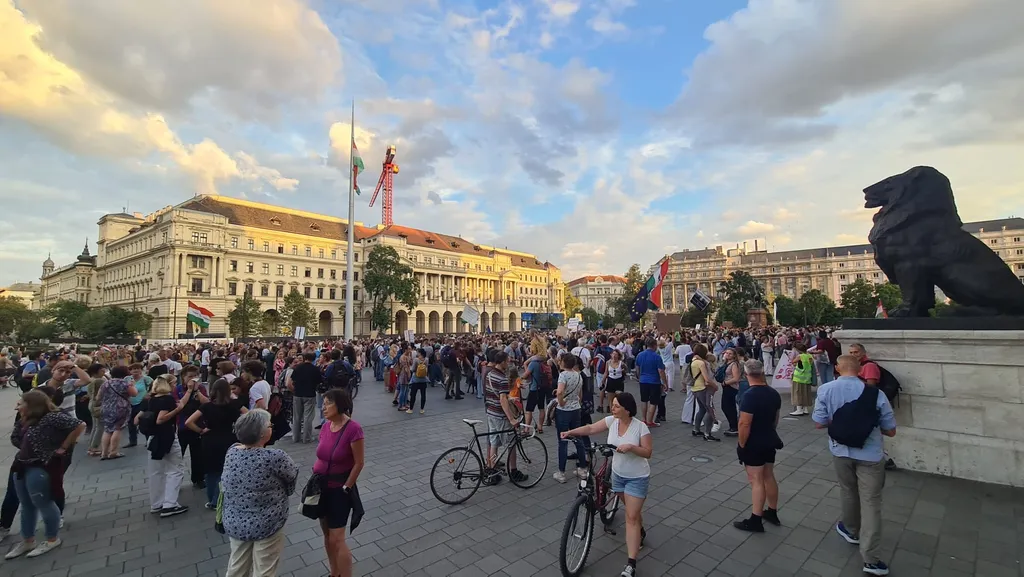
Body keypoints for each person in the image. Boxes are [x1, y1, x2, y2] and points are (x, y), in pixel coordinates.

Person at [812, 355, 896, 576]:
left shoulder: (826, 390)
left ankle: (850, 529)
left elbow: (819, 422)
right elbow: (891, 429)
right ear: (860, 370)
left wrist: (839, 422)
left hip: (839, 450)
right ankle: (871, 558)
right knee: (871, 502)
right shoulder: (875, 394)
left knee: (848, 490)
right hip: (869, 453)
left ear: (838, 369)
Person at [562, 392, 651, 577]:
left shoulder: (640, 428)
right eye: (613, 405)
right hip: (618, 475)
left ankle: (631, 564)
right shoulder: (612, 421)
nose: (613, 408)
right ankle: (639, 529)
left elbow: (648, 452)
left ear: (627, 409)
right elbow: (591, 428)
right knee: (630, 511)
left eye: (617, 406)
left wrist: (632, 447)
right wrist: (571, 432)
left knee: (631, 517)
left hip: (637, 477)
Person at [4, 390, 85, 559]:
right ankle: (28, 540)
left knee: (43, 502)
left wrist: (63, 446)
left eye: (21, 403)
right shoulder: (24, 420)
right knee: (26, 504)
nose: (17, 407)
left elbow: (79, 425)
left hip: (40, 466)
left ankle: (51, 538)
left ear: (32, 404)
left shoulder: (51, 417)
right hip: (22, 465)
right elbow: (16, 438)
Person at [221, 409, 299, 577]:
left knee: (236, 566)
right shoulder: (275, 457)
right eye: (270, 425)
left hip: (236, 521)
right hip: (267, 522)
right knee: (264, 569)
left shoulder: (232, 451)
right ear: (263, 434)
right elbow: (291, 476)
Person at [313, 389, 365, 577]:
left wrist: (347, 486)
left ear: (340, 405)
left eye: (328, 403)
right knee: (327, 535)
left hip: (339, 490)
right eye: (323, 402)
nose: (323, 407)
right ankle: (334, 573)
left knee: (337, 538)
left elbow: (359, 462)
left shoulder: (353, 429)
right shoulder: (326, 426)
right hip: (321, 488)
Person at [733, 360, 783, 533]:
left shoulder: (749, 395)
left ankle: (756, 519)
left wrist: (741, 444)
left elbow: (744, 423)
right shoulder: (773, 393)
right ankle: (772, 511)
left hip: (753, 442)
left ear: (746, 374)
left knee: (756, 480)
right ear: (762, 372)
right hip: (769, 438)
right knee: (769, 475)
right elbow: (775, 419)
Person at [186, 378, 248, 509]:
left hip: (209, 440)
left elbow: (188, 422)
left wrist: (201, 430)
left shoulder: (207, 406)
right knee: (225, 470)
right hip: (228, 439)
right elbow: (248, 414)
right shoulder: (234, 404)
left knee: (210, 471)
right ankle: (221, 497)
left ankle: (212, 500)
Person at [138, 374, 189, 518]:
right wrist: (177, 410)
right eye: (173, 383)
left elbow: (139, 419)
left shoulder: (151, 399)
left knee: (156, 472)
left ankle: (157, 503)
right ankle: (170, 504)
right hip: (167, 436)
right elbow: (161, 419)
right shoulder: (167, 399)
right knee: (175, 470)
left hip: (153, 438)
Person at [552, 353, 587, 483]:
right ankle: (583, 469)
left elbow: (560, 391)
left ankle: (561, 472)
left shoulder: (563, 375)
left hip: (564, 410)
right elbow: (580, 394)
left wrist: (560, 401)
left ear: (563, 363)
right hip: (576, 408)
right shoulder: (578, 374)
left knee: (563, 440)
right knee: (578, 438)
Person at [98, 366, 138, 460]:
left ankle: (104, 452)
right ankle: (113, 451)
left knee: (107, 429)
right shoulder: (125, 383)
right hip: (121, 408)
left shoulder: (106, 383)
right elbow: (134, 394)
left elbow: (98, 397)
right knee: (117, 429)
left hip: (106, 408)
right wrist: (132, 385)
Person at [689, 344, 720, 441]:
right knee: (709, 409)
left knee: (702, 409)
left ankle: (696, 429)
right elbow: (707, 379)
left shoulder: (694, 361)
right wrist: (715, 386)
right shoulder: (701, 363)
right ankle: (707, 433)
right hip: (702, 387)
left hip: (695, 388)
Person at [633, 338, 667, 427]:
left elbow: (637, 368)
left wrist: (639, 377)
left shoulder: (640, 355)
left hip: (643, 381)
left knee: (644, 400)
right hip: (654, 381)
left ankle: (643, 420)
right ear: (654, 345)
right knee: (653, 402)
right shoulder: (657, 357)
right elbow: (661, 371)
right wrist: (665, 383)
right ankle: (649, 421)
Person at [408, 349, 429, 414]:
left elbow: (413, 369)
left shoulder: (416, 360)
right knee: (423, 394)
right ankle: (422, 409)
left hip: (416, 379)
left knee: (413, 394)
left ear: (420, 353)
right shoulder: (426, 359)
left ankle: (411, 409)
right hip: (423, 379)